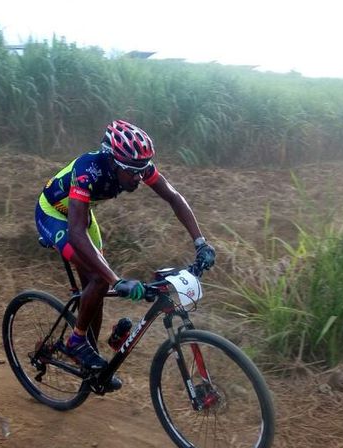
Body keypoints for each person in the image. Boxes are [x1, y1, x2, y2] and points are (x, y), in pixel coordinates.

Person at [35, 120, 216, 392]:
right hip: (54, 214)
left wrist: (200, 242)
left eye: (142, 171)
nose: (139, 179)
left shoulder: (137, 166)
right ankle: (76, 342)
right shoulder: (89, 169)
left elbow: (174, 197)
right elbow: (75, 232)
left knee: (96, 288)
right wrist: (116, 280)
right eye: (132, 172)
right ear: (112, 160)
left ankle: (89, 358)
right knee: (101, 278)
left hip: (81, 217)